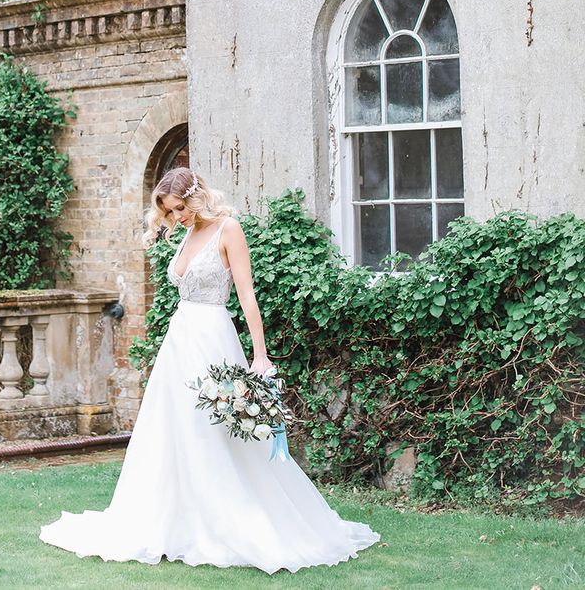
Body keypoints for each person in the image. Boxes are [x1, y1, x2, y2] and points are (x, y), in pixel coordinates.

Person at [39, 167, 380, 574]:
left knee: (214, 429)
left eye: (180, 208)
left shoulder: (227, 229)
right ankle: (175, 519)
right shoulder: (185, 233)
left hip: (213, 340)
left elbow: (247, 293)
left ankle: (228, 519)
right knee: (171, 429)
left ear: (196, 196)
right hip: (179, 342)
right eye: (169, 211)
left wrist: (260, 355)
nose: (176, 216)